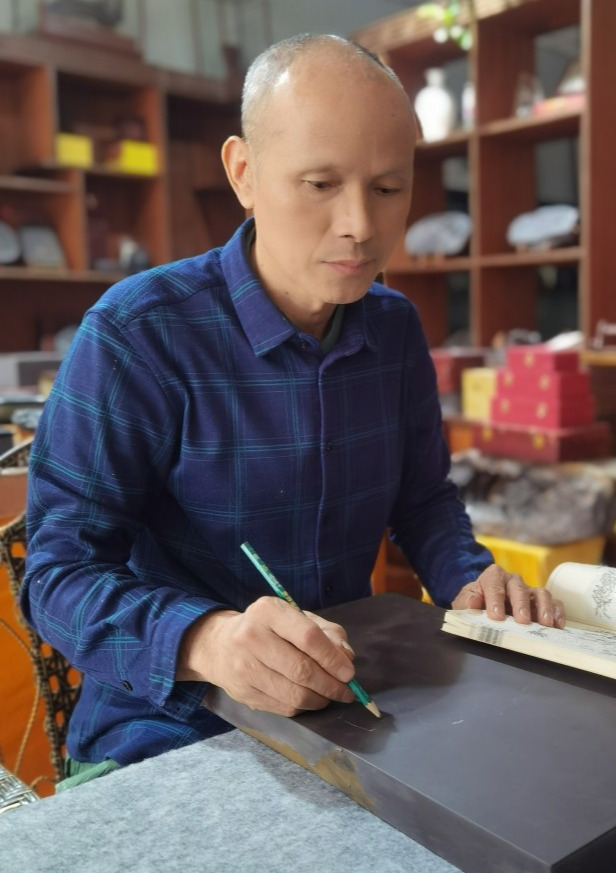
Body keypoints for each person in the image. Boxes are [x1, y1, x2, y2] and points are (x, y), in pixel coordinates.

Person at [22, 34, 564, 786]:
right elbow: (57, 576)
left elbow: (424, 502)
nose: (360, 225)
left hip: (350, 710)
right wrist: (207, 641)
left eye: (388, 188)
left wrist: (472, 580)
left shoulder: (394, 329)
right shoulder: (139, 333)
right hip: (169, 724)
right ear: (243, 172)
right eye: (320, 183)